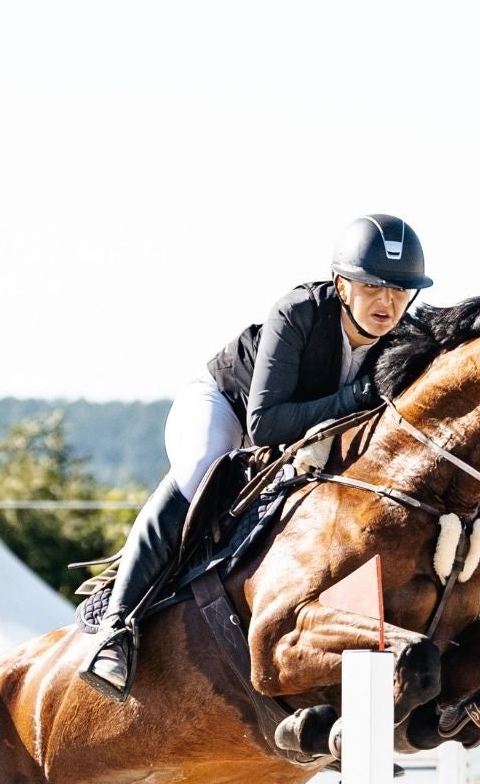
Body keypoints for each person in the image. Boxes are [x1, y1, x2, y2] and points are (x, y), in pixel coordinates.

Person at [81, 214, 432, 699]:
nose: (387, 302)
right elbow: (264, 425)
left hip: (300, 439)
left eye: (399, 290)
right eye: (373, 286)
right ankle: (116, 629)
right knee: (202, 470)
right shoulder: (298, 312)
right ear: (341, 284)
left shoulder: (402, 339)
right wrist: (354, 397)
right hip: (227, 406)